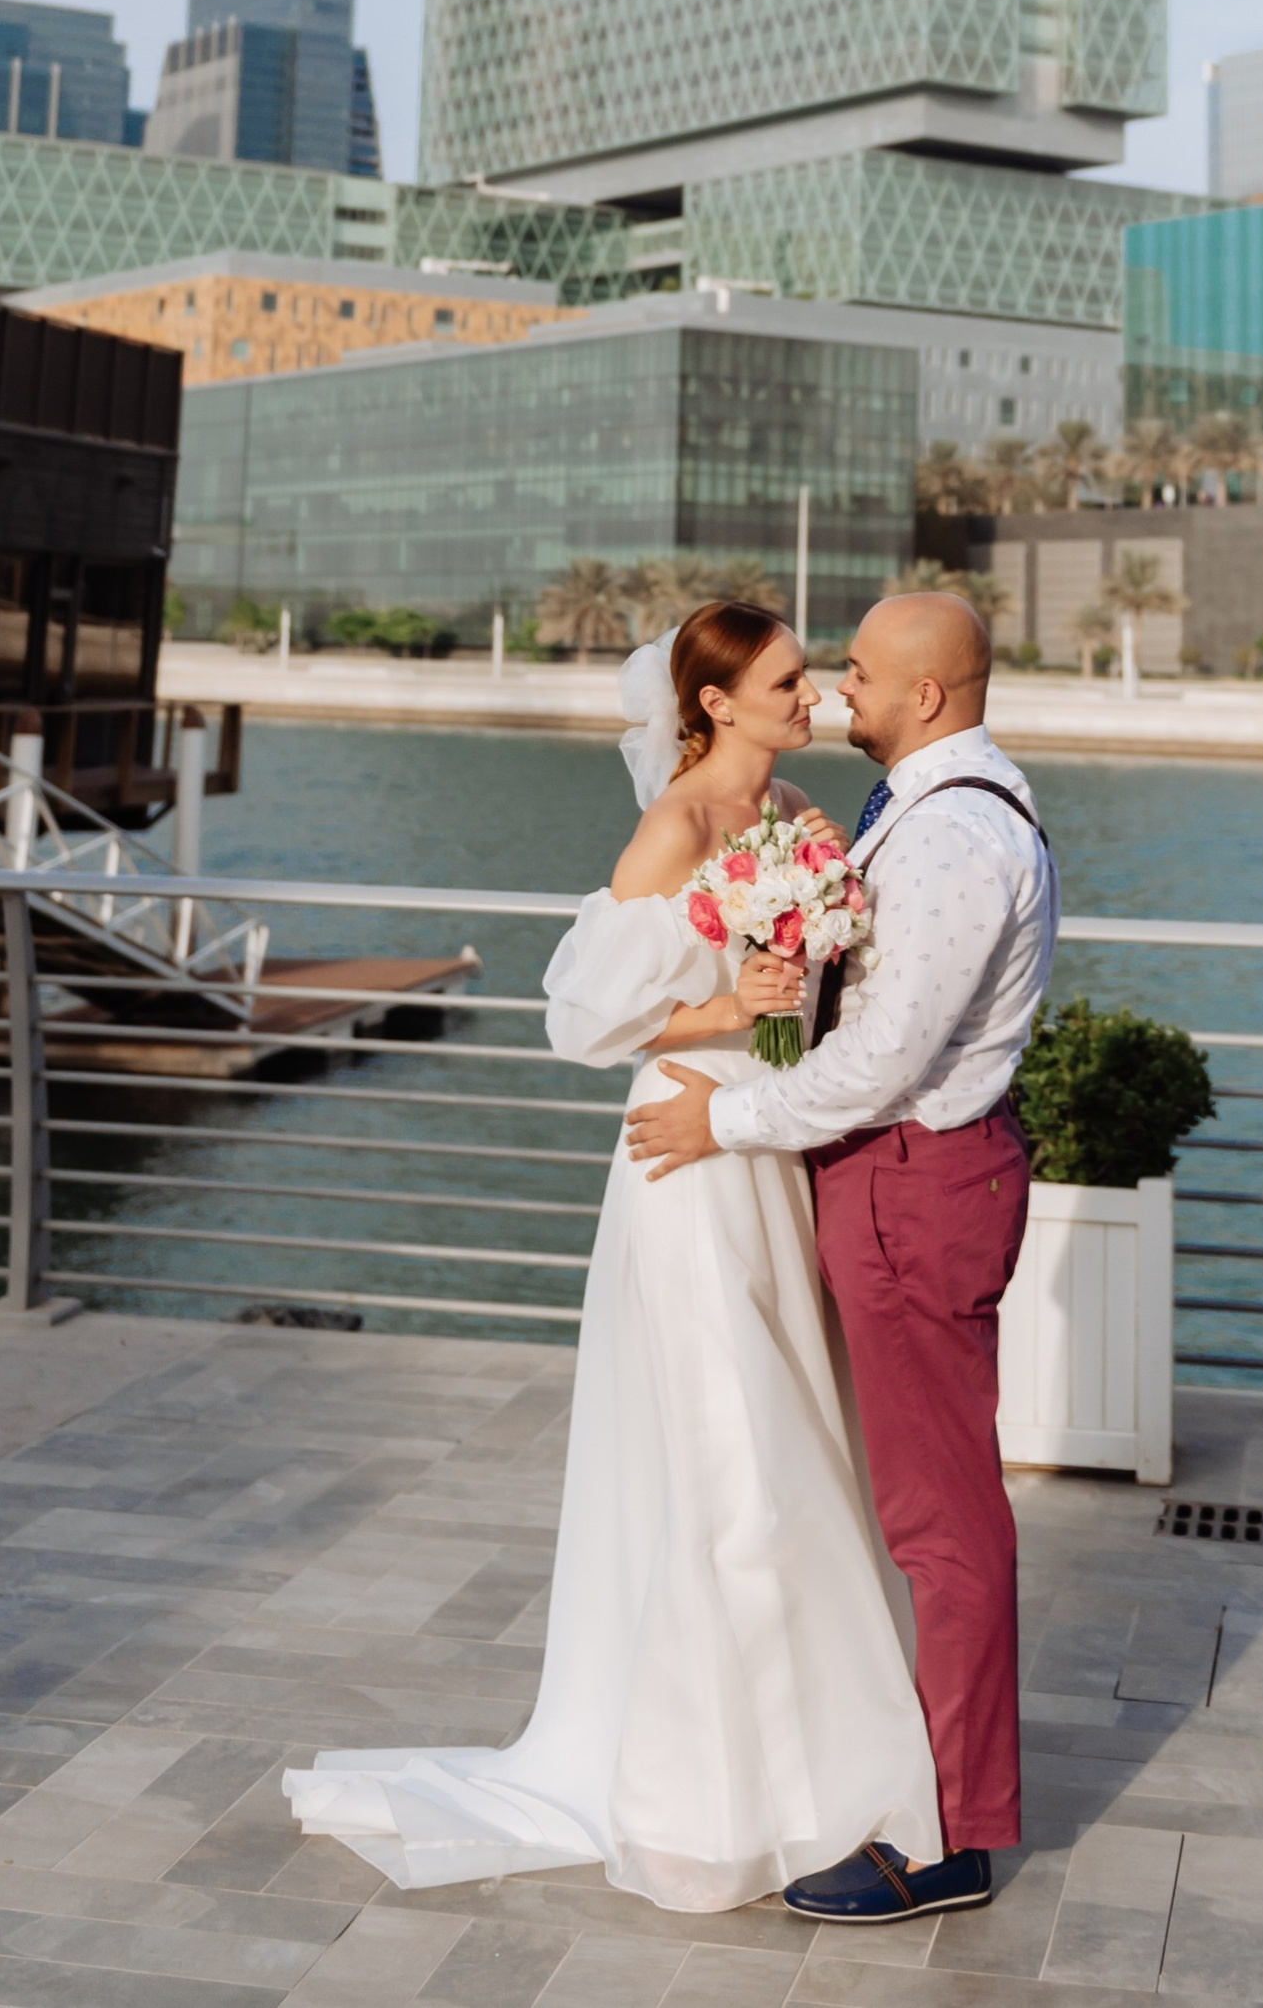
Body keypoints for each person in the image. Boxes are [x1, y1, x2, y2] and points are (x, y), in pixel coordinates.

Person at [281, 600, 942, 1915]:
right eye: (786, 680)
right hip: (682, 1160)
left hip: (767, 1145)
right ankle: (706, 1794)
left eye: (809, 679)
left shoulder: (800, 816)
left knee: (800, 1444)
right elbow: (579, 1017)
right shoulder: (676, 828)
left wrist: (801, 996)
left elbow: (813, 986)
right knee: (727, 1462)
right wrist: (727, 1004)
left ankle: (818, 1768)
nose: (807, 697)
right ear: (714, 705)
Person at [624, 590, 1057, 1928]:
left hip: (915, 1188)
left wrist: (724, 1116)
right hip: (896, 1184)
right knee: (906, 1505)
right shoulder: (922, 807)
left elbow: (883, 1058)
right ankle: (897, 1772)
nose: (836, 696)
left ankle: (952, 1839)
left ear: (927, 698)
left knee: (941, 1519)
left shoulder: (953, 840)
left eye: (857, 675)